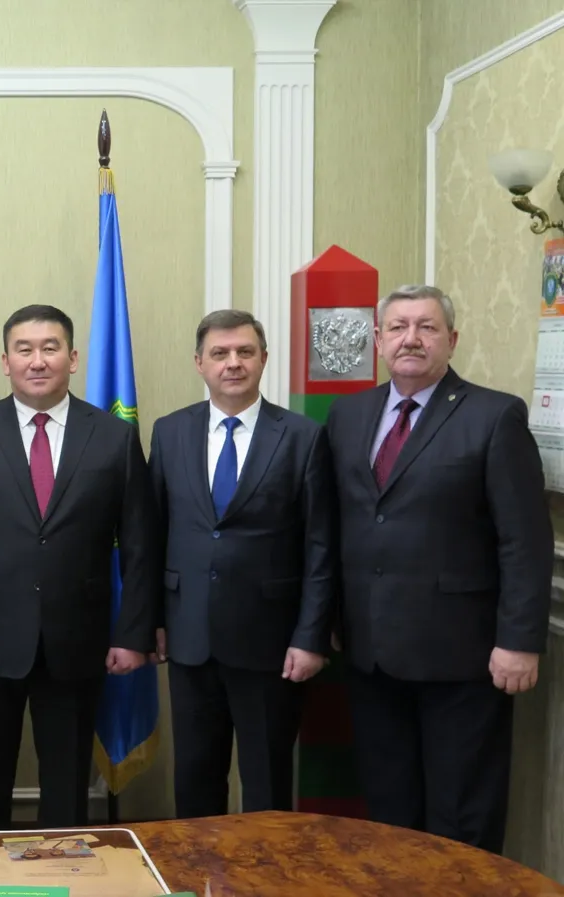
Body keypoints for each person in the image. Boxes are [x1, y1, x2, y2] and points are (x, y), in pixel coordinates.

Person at [326, 284, 553, 853]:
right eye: (398, 327)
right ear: (378, 340)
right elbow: (337, 524)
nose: (411, 339)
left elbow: (524, 539)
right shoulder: (349, 415)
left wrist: (519, 641)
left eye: (426, 327)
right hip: (371, 655)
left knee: (461, 817)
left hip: (462, 660)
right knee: (389, 812)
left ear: (451, 340)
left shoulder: (494, 415)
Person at [0, 304, 159, 830]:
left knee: (67, 789)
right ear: (4, 361)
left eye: (50, 348)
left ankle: (63, 870)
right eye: (24, 349)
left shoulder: (114, 437)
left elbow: (141, 546)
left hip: (77, 641)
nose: (37, 360)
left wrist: (133, 635)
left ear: (72, 358)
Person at [148, 309, 335, 818]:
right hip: (190, 639)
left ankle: (265, 869)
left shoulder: (302, 437)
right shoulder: (169, 432)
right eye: (220, 353)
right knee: (195, 779)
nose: (233, 363)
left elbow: (320, 546)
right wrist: (153, 621)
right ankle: (193, 867)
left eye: (244, 352)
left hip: (271, 645)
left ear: (264, 359)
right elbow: (153, 535)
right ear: (199, 363)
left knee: (267, 786)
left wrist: (310, 636)